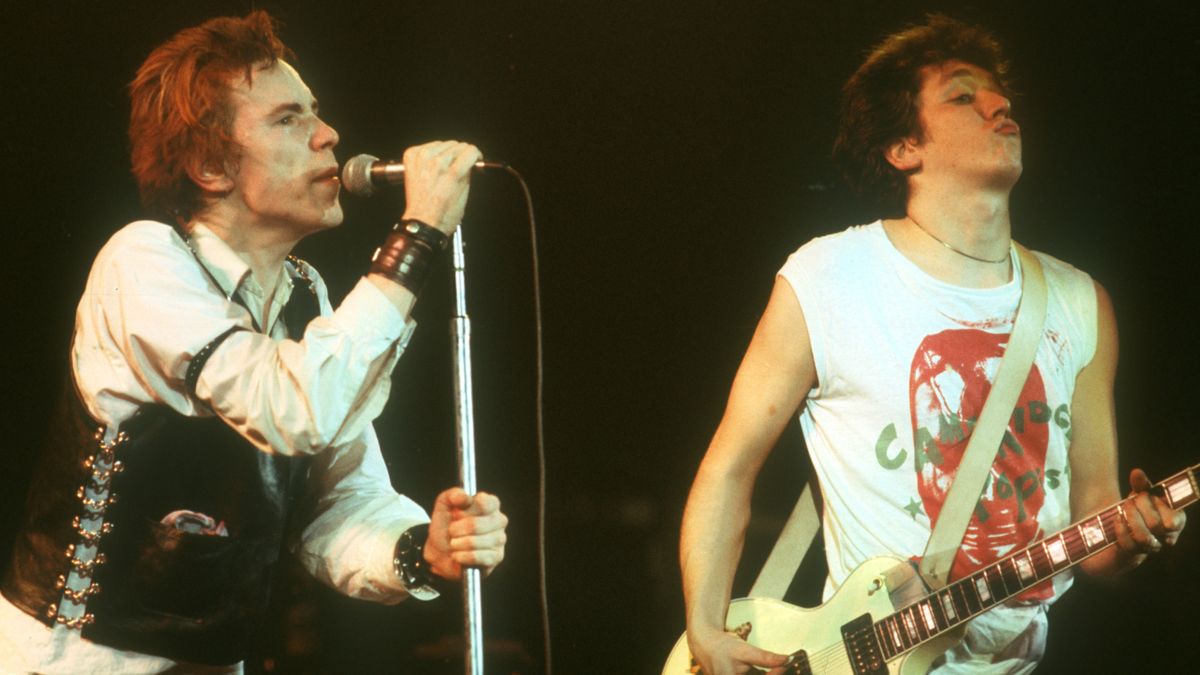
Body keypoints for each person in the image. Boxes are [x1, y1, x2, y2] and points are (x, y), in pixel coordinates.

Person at [0, 11, 507, 674]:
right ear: (211, 165)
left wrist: (422, 548)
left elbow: (340, 496)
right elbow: (288, 404)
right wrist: (416, 237)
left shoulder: (306, 297)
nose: (329, 136)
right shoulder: (142, 262)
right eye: (288, 119)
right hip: (73, 662)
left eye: (317, 114)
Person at [679, 14, 1186, 675]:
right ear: (902, 148)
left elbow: (1096, 538)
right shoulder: (827, 278)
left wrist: (1140, 536)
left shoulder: (1079, 301)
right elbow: (728, 468)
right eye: (962, 95)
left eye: (999, 94)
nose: (1000, 104)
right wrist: (704, 629)